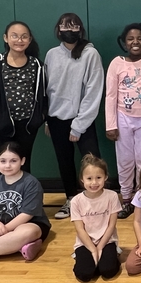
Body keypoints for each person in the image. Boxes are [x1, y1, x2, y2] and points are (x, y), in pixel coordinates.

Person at [44, 13, 104, 220]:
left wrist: (78, 125)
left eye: (74, 26)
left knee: (92, 161)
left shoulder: (90, 54)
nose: (69, 29)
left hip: (82, 119)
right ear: (58, 29)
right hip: (56, 119)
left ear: (80, 29)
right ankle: (71, 199)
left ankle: (97, 202)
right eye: (64, 25)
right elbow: (48, 89)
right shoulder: (51, 54)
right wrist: (47, 118)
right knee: (64, 161)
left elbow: (93, 91)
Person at [105, 23, 141, 219]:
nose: (135, 42)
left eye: (139, 38)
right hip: (123, 117)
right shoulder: (117, 63)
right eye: (130, 39)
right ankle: (127, 199)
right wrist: (110, 124)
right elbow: (110, 96)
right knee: (125, 161)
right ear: (124, 42)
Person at [0, 21, 46, 174]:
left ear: (30, 40)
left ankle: (25, 197)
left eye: (24, 37)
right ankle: (4, 198)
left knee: (23, 166)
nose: (19, 40)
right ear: (5, 38)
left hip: (27, 127)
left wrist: (39, 119)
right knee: (4, 167)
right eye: (14, 36)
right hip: (1, 126)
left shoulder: (37, 65)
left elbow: (45, 96)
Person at [70, 154, 121, 282]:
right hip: (85, 242)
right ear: (82, 179)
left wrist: (100, 248)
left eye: (98, 177)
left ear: (105, 177)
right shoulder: (76, 201)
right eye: (89, 178)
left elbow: (111, 225)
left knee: (108, 272)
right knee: (84, 275)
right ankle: (84, 257)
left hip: (107, 240)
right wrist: (93, 250)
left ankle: (112, 255)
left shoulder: (112, 196)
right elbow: (80, 229)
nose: (94, 183)